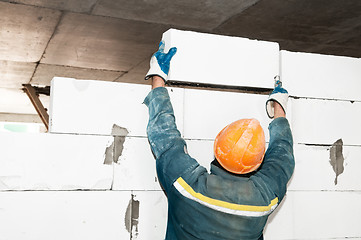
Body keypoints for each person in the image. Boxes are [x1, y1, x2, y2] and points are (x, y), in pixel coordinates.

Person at [143, 41, 295, 240]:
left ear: (218, 149)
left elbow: (164, 134)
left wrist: (158, 77)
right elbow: (282, 155)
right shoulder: (264, 198)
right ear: (258, 163)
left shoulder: (187, 186)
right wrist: (279, 108)